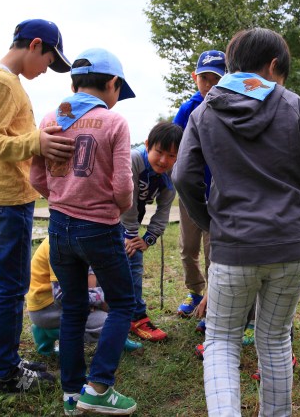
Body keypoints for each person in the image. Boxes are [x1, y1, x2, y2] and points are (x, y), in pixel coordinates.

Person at [172, 28, 300, 417]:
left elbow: (183, 177)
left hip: (232, 247)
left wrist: (210, 221)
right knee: (275, 340)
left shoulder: (204, 111)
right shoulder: (292, 104)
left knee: (222, 341)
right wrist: (298, 196)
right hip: (291, 244)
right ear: (274, 65)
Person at [0, 18, 75, 397]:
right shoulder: (1, 82)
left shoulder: (4, 80)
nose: (46, 68)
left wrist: (35, 141)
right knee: (11, 288)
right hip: (5, 198)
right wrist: (38, 142)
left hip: (1, 195)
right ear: (34, 45)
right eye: (48, 59)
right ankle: (3, 375)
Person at [30, 48, 138, 415]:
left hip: (58, 226)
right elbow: (123, 185)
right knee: (122, 303)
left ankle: (71, 393)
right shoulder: (114, 122)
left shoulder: (52, 117)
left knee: (73, 307)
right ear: (113, 83)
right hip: (100, 227)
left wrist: (61, 198)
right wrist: (117, 207)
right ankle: (99, 386)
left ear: (74, 82)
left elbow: (36, 177)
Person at [173, 50, 226, 323]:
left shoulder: (229, 108)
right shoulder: (187, 109)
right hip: (190, 193)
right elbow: (174, 146)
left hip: (219, 194)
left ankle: (213, 301)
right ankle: (195, 291)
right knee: (188, 247)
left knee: (213, 250)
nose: (209, 85)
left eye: (216, 79)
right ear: (195, 77)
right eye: (204, 78)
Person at [121, 121, 184, 342]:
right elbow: (126, 199)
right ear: (148, 145)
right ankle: (136, 317)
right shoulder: (133, 159)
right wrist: (131, 234)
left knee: (129, 260)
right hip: (109, 215)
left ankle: (124, 314)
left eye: (171, 155)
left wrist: (149, 238)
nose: (164, 160)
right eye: (159, 152)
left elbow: (164, 209)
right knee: (132, 261)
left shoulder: (172, 173)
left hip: (131, 219)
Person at [25, 239, 142, 355]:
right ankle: (47, 332)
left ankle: (120, 336)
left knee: (117, 312)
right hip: (48, 308)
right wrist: (101, 299)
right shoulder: (59, 244)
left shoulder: (87, 237)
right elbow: (62, 295)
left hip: (76, 295)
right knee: (110, 324)